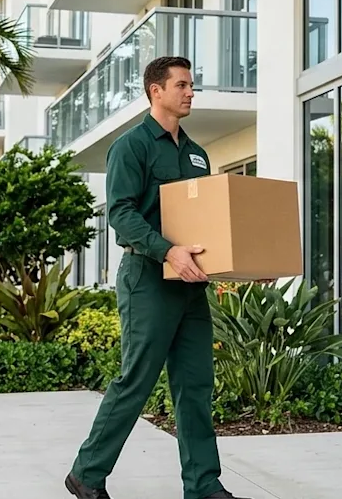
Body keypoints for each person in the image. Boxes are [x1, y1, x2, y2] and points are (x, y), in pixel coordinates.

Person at [65, 56, 247, 499]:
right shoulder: (132, 147)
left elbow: (208, 223)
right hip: (147, 278)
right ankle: (87, 474)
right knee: (136, 381)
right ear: (156, 91)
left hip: (191, 285)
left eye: (192, 85)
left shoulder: (198, 155)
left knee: (196, 384)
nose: (190, 92)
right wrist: (168, 251)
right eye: (182, 85)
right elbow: (122, 214)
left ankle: (203, 484)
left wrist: (241, 266)